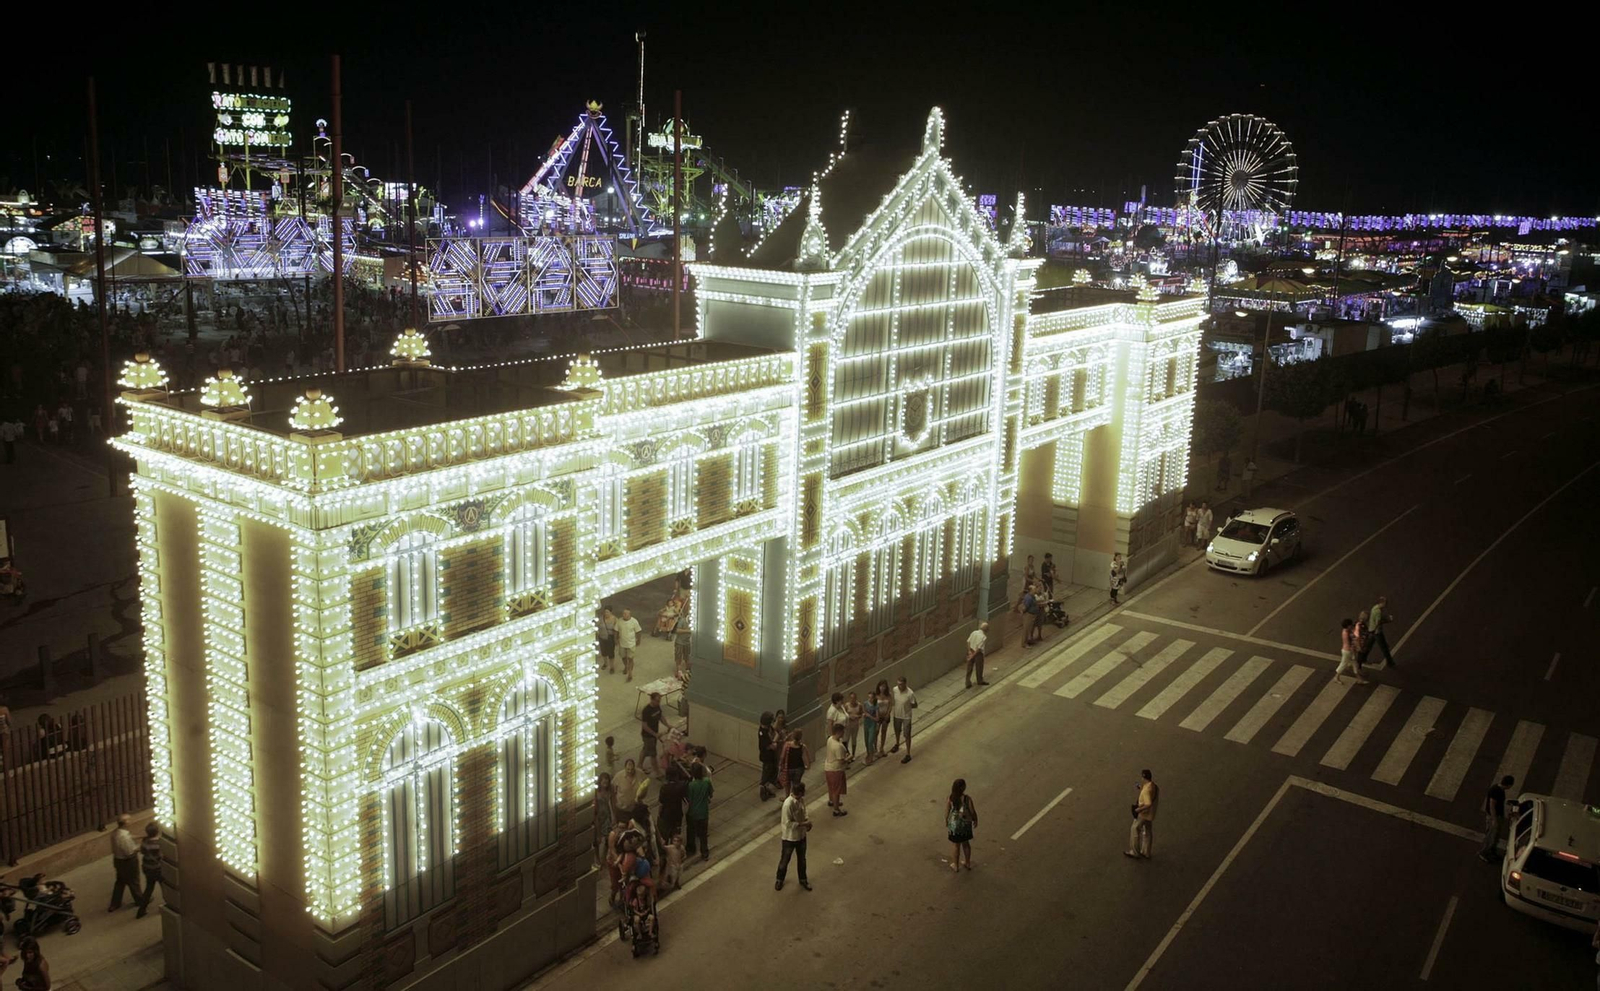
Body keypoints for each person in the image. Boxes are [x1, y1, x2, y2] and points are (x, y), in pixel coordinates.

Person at [774, 780, 812, 891]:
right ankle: (779, 879)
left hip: (801, 836)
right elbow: (788, 823)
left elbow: (804, 811)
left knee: (802, 859)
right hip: (789, 838)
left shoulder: (801, 800)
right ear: (799, 792)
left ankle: (803, 879)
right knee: (785, 860)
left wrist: (806, 820)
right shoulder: (788, 804)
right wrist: (803, 824)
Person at [1479, 774, 1515, 862]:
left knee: (1495, 836)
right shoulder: (1496, 791)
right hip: (1493, 817)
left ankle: (1491, 851)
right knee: (1491, 835)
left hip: (1497, 816)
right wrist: (1494, 819)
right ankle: (1484, 853)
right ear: (1509, 785)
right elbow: (1492, 805)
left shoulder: (1499, 789)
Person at [1123, 769, 1158, 859]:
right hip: (1150, 814)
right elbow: (1149, 791)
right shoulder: (1153, 785)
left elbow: (1148, 803)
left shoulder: (1146, 791)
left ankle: (1135, 852)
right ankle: (1146, 852)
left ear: (1143, 777)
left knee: (1134, 829)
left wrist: (1139, 809)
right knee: (1147, 831)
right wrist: (1140, 787)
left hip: (1143, 814)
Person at [108, 813, 140, 911]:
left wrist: (140, 836)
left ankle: (115, 903)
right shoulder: (124, 837)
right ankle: (140, 900)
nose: (131, 821)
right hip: (128, 862)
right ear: (125, 823)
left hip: (118, 860)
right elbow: (129, 852)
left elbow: (130, 837)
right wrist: (140, 847)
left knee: (120, 882)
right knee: (133, 881)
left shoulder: (116, 833)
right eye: (129, 820)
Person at [946, 779, 978, 872]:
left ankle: (955, 865)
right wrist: (975, 819)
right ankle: (967, 863)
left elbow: (947, 811)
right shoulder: (967, 798)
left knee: (956, 845)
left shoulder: (951, 798)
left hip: (954, 825)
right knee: (966, 844)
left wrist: (946, 821)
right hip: (965, 825)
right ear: (963, 788)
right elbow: (972, 811)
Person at [639, 691, 673, 778]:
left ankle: (639, 766)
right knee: (653, 754)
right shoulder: (646, 711)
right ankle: (657, 772)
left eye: (659, 701)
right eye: (657, 701)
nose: (659, 702)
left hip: (654, 734)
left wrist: (667, 725)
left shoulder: (657, 707)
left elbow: (660, 717)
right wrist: (655, 734)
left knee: (645, 749)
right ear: (652, 700)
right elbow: (644, 726)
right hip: (648, 735)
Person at [685, 763, 713, 862]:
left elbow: (689, 799)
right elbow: (711, 793)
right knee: (703, 835)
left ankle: (691, 849)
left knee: (691, 831)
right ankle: (704, 853)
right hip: (704, 812)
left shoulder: (691, 785)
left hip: (693, 812)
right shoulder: (706, 782)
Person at [135, 822, 164, 918]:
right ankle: (169, 905)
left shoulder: (145, 841)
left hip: (147, 867)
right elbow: (161, 856)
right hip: (158, 868)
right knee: (165, 887)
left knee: (149, 888)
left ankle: (141, 910)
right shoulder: (159, 843)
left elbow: (142, 851)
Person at [824, 722, 851, 817]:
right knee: (836, 790)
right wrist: (849, 758)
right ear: (839, 732)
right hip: (836, 770)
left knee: (831, 788)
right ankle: (836, 809)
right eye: (843, 731)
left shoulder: (830, 739)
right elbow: (841, 761)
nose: (844, 733)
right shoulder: (838, 746)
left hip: (828, 767)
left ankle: (832, 801)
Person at [656, 764, 688, 843]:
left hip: (666, 814)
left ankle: (667, 849)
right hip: (677, 813)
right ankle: (675, 847)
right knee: (676, 833)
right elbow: (686, 800)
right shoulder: (681, 786)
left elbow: (661, 803)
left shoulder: (664, 788)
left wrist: (659, 814)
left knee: (665, 833)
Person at [890, 677, 918, 764]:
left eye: (901, 684)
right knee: (897, 730)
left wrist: (907, 708)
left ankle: (908, 753)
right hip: (897, 715)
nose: (899, 686)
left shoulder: (910, 693)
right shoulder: (895, 690)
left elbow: (915, 704)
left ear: (905, 684)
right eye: (898, 684)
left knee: (907, 734)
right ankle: (897, 743)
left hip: (906, 716)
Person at [1366, 596, 1397, 669]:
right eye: (1385, 603)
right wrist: (1388, 620)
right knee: (1384, 647)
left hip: (1372, 630)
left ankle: (1363, 658)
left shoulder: (1374, 608)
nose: (1386, 604)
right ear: (1381, 603)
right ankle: (1390, 662)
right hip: (1377, 632)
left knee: (1369, 645)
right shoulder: (1378, 611)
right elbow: (1378, 622)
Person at [1335, 618, 1368, 686]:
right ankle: (1336, 677)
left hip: (1347, 651)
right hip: (1348, 652)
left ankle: (1359, 679)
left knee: (1354, 664)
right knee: (1343, 665)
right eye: (1350, 625)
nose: (1351, 626)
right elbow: (1349, 643)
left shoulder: (1345, 631)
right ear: (1348, 626)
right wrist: (1355, 650)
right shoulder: (1346, 633)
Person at [778, 729, 810, 796]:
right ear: (801, 737)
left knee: (787, 783)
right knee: (796, 784)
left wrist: (780, 765)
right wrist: (807, 767)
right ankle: (794, 796)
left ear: (793, 736)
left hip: (788, 768)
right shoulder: (803, 747)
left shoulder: (787, 745)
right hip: (799, 769)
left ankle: (787, 797)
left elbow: (782, 757)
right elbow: (807, 760)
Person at [594, 772, 617, 865]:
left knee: (608, 838)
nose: (605, 782)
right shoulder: (596, 791)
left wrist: (615, 816)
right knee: (597, 839)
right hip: (598, 816)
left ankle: (604, 857)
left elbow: (613, 803)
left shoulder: (609, 790)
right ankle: (598, 859)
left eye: (607, 780)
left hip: (606, 816)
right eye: (603, 780)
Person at [757, 711, 780, 800]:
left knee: (773, 771)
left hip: (772, 756)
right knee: (766, 774)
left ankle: (768, 787)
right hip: (767, 757)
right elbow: (773, 746)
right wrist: (775, 740)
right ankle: (763, 791)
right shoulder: (763, 734)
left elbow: (776, 732)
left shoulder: (768, 729)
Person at [615, 608, 643, 681]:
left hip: (631, 644)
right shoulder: (619, 621)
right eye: (623, 613)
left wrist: (638, 640)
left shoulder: (634, 621)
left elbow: (638, 631)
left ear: (629, 614)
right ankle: (626, 666)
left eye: (626, 614)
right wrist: (616, 639)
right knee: (623, 657)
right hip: (622, 643)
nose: (624, 615)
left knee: (630, 658)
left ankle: (630, 673)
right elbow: (616, 630)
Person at [966, 621, 989, 688]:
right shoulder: (983, 637)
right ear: (986, 629)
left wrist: (969, 651)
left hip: (971, 650)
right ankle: (980, 680)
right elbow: (979, 648)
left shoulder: (974, 632)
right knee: (979, 667)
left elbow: (968, 641)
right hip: (978, 654)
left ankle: (967, 683)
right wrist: (973, 656)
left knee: (969, 668)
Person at [873, 680, 893, 758]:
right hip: (878, 716)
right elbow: (875, 707)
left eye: (884, 686)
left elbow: (890, 705)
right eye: (881, 686)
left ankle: (882, 748)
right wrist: (877, 715)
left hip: (886, 716)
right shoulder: (876, 696)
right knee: (876, 732)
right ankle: (875, 748)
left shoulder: (889, 695)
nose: (882, 688)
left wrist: (888, 713)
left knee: (884, 732)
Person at [860, 692, 880, 766]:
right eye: (869, 697)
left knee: (870, 741)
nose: (870, 699)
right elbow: (864, 711)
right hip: (866, 724)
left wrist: (869, 716)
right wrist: (864, 715)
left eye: (871, 698)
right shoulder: (865, 703)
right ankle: (868, 754)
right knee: (866, 740)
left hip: (872, 724)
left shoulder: (876, 706)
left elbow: (877, 718)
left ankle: (871, 757)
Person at [597, 606, 617, 674]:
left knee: (611, 653)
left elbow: (617, 629)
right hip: (602, 638)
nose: (606, 613)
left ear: (611, 612)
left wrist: (616, 638)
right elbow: (597, 626)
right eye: (605, 612)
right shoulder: (601, 619)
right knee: (604, 652)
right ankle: (605, 663)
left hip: (610, 638)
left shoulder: (614, 619)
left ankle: (612, 667)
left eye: (607, 612)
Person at [844, 692, 864, 757]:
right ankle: (846, 753)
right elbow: (844, 714)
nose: (852, 700)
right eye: (851, 698)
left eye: (854, 698)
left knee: (854, 739)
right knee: (846, 739)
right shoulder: (847, 705)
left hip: (855, 724)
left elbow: (862, 713)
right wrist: (849, 716)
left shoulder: (859, 705)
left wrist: (857, 716)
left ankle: (853, 754)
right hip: (848, 724)